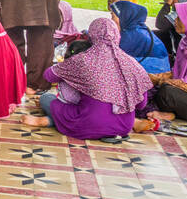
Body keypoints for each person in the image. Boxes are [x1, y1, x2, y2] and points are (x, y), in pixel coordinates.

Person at [23, 16, 154, 140]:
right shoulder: (132, 64)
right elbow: (141, 104)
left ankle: (50, 121)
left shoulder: (83, 59)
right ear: (117, 35)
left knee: (46, 99)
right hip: (124, 126)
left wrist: (71, 73)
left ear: (92, 36)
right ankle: (132, 124)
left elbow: (48, 76)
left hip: (87, 123)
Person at [110, 0, 171, 73]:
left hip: (154, 74)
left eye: (113, 16)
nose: (111, 20)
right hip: (163, 69)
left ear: (124, 17)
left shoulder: (129, 36)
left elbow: (112, 58)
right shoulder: (139, 28)